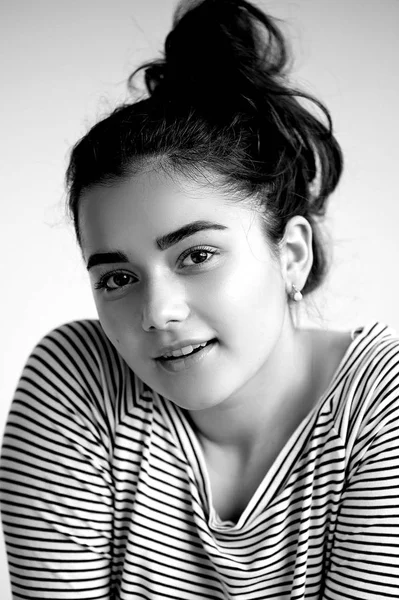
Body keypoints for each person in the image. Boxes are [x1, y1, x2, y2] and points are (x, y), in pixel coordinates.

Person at [1, 0, 399, 598]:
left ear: (291, 254)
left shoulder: (380, 404)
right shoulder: (79, 384)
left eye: (196, 256)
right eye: (116, 278)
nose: (158, 312)